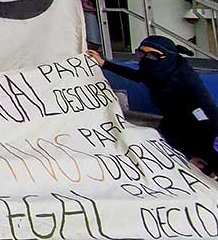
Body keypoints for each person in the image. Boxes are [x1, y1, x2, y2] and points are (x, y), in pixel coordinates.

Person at [88, 37, 218, 174]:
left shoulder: (185, 80)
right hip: (171, 118)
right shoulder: (154, 72)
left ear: (167, 56)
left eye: (152, 55)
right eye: (141, 53)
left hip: (196, 122)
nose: (146, 59)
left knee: (203, 152)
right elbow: (138, 76)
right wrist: (104, 64)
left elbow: (208, 108)